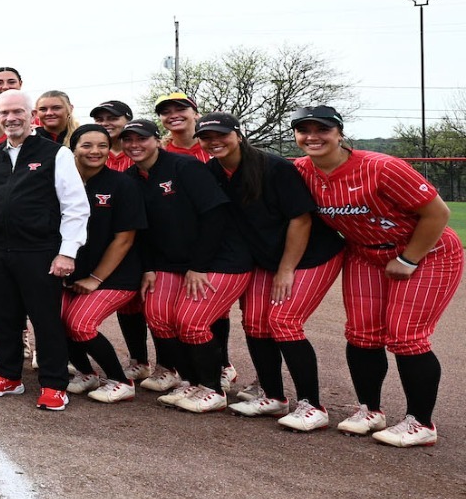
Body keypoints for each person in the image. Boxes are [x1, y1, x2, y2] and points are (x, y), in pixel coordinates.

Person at [291, 105, 459, 447]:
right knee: (362, 334)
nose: (312, 137)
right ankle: (370, 410)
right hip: (365, 253)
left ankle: (420, 422)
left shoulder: (381, 167)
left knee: (406, 335)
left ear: (339, 133)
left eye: (322, 129)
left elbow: (437, 213)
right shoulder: (301, 170)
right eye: (304, 130)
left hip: (426, 251)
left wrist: (409, 259)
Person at [198, 112, 343, 429]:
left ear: (238, 135)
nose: (214, 142)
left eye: (221, 135)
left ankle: (312, 406)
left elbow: (300, 219)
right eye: (206, 137)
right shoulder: (213, 170)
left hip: (310, 254)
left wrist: (286, 269)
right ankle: (274, 396)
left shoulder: (273, 167)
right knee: (255, 322)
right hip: (266, 257)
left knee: (284, 321)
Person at [117, 118, 250, 413]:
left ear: (157, 140)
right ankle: (191, 381)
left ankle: (213, 389)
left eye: (142, 138)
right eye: (128, 140)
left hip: (219, 258)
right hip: (169, 261)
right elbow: (141, 230)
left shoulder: (184, 166)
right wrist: (148, 267)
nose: (135, 145)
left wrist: (200, 266)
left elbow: (215, 215)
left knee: (191, 322)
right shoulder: (130, 177)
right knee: (158, 317)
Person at [0, 91, 88, 410]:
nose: (11, 118)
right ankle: (8, 376)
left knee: (45, 319)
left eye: (17, 111)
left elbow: (76, 207)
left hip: (39, 250)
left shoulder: (56, 154)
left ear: (31, 115)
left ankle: (54, 383)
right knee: (3, 316)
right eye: (4, 113)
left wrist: (67, 252)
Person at [59, 124, 145, 404]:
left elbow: (125, 239)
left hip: (115, 275)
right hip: (74, 273)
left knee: (80, 324)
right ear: (73, 149)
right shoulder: (62, 182)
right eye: (86, 145)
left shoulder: (122, 184)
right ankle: (86, 373)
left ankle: (121, 381)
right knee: (54, 320)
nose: (95, 151)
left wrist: (95, 278)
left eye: (102, 146)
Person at [155, 92, 207, 159]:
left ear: (196, 114)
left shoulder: (213, 146)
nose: (174, 116)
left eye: (181, 109)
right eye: (165, 112)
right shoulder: (158, 154)